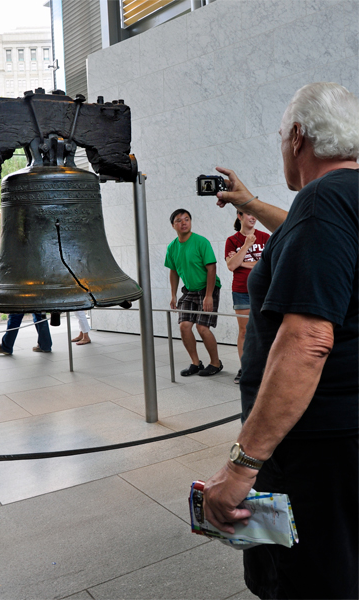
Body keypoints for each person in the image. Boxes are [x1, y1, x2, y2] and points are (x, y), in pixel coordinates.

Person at [203, 82, 358, 599]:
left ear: (297, 137)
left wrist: (241, 465)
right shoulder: (342, 203)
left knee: (311, 581)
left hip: (318, 448)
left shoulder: (321, 202)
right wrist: (251, 203)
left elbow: (308, 341)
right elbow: (317, 237)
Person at [164, 209, 222, 376]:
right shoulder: (172, 247)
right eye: (179, 220)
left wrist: (209, 295)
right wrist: (173, 294)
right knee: (184, 326)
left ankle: (216, 363)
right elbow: (173, 272)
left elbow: (211, 268)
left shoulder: (201, 242)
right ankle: (196, 363)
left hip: (208, 288)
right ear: (173, 225)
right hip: (189, 290)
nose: (183, 223)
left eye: (187, 219)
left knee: (202, 328)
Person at [225, 212, 270, 383]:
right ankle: (245, 367)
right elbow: (231, 266)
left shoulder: (265, 237)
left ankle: (265, 367)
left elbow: (268, 264)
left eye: (254, 214)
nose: (253, 217)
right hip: (241, 291)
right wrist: (246, 245)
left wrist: (241, 262)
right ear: (239, 216)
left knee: (264, 330)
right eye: (249, 214)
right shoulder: (232, 240)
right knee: (244, 331)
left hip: (264, 290)